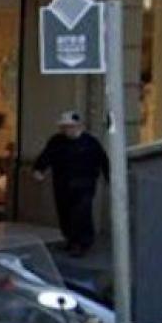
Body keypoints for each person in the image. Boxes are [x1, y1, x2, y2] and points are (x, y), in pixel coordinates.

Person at [33, 110, 109, 257]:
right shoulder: (57, 141)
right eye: (64, 127)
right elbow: (46, 156)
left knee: (81, 213)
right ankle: (71, 240)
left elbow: (103, 160)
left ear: (79, 126)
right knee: (65, 214)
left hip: (84, 185)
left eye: (70, 126)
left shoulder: (90, 143)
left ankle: (82, 243)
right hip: (63, 185)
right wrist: (39, 169)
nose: (66, 130)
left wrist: (108, 177)